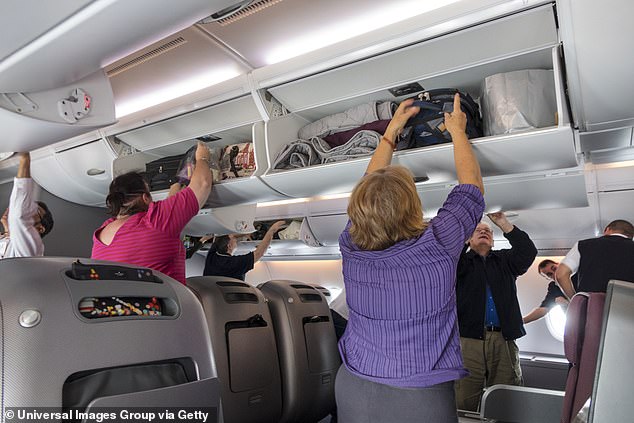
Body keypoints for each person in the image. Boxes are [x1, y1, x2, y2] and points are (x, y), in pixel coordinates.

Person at [335, 94, 485, 423]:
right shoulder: (439, 243)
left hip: (353, 383)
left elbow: (368, 189)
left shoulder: (351, 244)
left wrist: (392, 132)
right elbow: (471, 188)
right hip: (418, 394)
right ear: (414, 208)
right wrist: (458, 131)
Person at [91, 141, 212, 285]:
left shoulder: (102, 232)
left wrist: (177, 184)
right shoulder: (155, 222)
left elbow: (165, 214)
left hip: (123, 306)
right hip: (167, 306)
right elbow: (203, 183)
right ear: (145, 197)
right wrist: (202, 158)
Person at [454, 212, 538, 411]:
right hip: (468, 340)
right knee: (465, 397)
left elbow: (528, 251)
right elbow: (446, 260)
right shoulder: (460, 264)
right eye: (478, 231)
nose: (484, 232)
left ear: (493, 240)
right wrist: (463, 239)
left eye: (488, 231)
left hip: (503, 339)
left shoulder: (505, 260)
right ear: (469, 238)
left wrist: (503, 223)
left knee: (507, 396)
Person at [556, 219, 634, 298]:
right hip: (628, 304)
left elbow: (561, 274)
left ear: (607, 229)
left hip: (591, 304)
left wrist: (575, 299)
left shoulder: (583, 245)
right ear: (631, 236)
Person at [0, 152, 54, 259]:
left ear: (40, 229)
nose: (27, 209)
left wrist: (25, 159)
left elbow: (19, 217)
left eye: (32, 209)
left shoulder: (31, 252)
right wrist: (7, 232)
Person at [203, 220, 285, 280]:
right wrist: (272, 230)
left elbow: (220, 238)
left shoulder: (212, 257)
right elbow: (259, 253)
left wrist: (248, 232)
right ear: (229, 246)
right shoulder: (234, 263)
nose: (236, 239)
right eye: (234, 239)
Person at [522, 260, 577, 324]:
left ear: (559, 264)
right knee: (559, 300)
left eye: (554, 268)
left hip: (588, 307)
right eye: (550, 274)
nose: (554, 273)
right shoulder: (553, 287)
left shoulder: (576, 275)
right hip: (574, 318)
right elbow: (543, 309)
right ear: (548, 277)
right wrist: (522, 321)